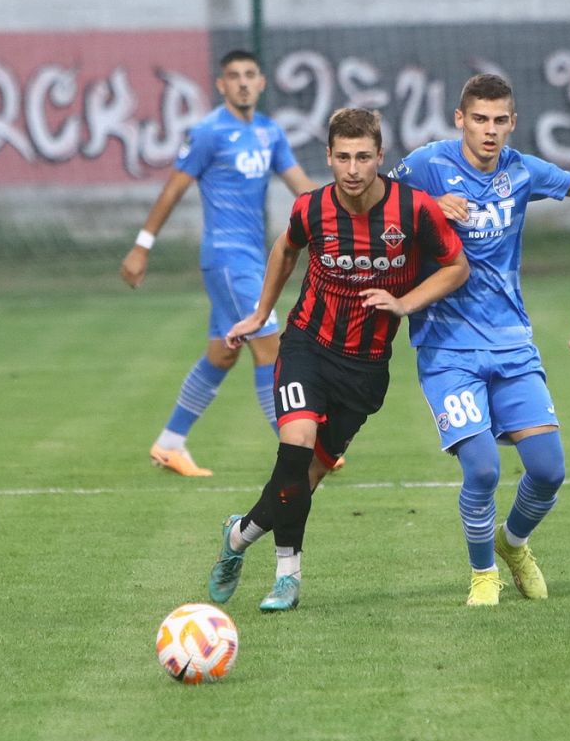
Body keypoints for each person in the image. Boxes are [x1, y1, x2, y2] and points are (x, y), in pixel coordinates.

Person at [390, 73, 570, 606]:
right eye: (479, 120)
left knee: (548, 470)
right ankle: (482, 576)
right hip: (446, 346)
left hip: (511, 343)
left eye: (500, 121)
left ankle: (513, 545)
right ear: (460, 120)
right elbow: (377, 201)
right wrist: (426, 208)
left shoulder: (520, 171)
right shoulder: (426, 165)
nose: (490, 131)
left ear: (512, 122)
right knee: (482, 468)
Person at [206, 107, 468, 611]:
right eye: (342, 157)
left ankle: (238, 536)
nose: (352, 169)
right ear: (328, 156)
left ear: (379, 158)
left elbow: (455, 267)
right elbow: (285, 250)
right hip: (306, 344)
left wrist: (405, 303)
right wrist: (262, 313)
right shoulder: (311, 208)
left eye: (363, 157)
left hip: (366, 367)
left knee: (303, 480)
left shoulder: (414, 211)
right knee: (296, 447)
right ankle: (288, 576)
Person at [121, 49, 315, 477]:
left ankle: (170, 443)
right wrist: (142, 244)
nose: (243, 82)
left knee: (221, 355)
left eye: (250, 75)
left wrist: (346, 211)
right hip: (226, 259)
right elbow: (173, 189)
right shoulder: (208, 132)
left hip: (251, 255)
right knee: (270, 346)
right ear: (221, 85)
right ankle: (298, 453)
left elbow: (303, 188)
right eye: (234, 76)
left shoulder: (269, 132)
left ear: (262, 82)